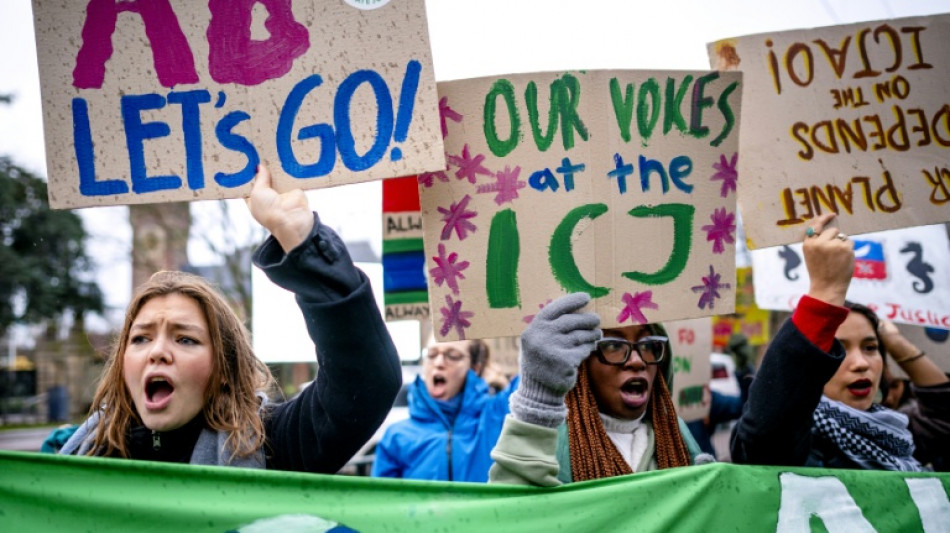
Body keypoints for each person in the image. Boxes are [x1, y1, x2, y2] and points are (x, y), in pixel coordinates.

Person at [56, 164, 401, 472]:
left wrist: (299, 239)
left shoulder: (272, 447)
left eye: (185, 338)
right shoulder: (77, 459)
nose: (156, 351)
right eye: (141, 338)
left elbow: (365, 381)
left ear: (224, 369)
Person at [730, 213, 950, 471]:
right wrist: (826, 293)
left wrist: (895, 341)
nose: (860, 363)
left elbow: (943, 417)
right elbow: (766, 435)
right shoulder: (800, 445)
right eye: (837, 349)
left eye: (870, 348)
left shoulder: (898, 435)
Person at [489, 293, 707, 486]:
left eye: (649, 345)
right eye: (613, 345)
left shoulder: (678, 438)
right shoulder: (552, 445)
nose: (637, 360)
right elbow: (508, 516)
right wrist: (536, 407)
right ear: (582, 365)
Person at [371, 338, 517, 481]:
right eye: (432, 355)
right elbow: (381, 501)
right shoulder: (396, 436)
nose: (439, 363)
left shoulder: (497, 417)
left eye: (453, 356)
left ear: (475, 368)